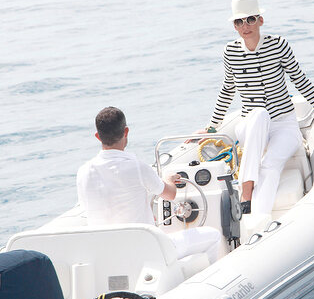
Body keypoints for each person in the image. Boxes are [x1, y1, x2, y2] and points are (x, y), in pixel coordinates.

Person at [207, 0, 314, 217]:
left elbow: (301, 81)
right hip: (250, 125)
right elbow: (227, 90)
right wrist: (211, 128)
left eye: (249, 20)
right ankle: (246, 189)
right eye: (239, 22)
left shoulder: (277, 45)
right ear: (234, 26)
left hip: (283, 124)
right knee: (259, 114)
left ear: (260, 20)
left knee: (270, 165)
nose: (245, 26)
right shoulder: (231, 52)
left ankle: (255, 217)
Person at [77, 106, 221, 262]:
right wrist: (168, 179)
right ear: (126, 132)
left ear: (98, 136)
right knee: (213, 236)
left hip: (108, 254)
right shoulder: (137, 167)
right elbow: (170, 194)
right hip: (147, 250)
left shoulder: (83, 172)